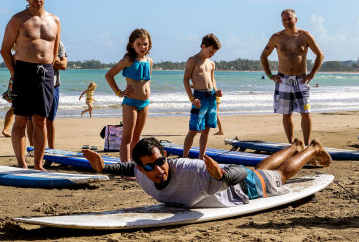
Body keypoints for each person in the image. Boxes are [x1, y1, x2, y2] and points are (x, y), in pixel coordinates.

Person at [83, 137, 331, 208]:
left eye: (160, 162)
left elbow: (242, 173)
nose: (157, 170)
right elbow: (128, 167)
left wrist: (221, 176)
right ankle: (295, 146)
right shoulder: (141, 171)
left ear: (166, 157)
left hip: (242, 187)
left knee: (277, 177)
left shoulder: (193, 170)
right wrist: (105, 166)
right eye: (149, 166)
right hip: (228, 179)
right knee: (260, 169)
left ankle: (312, 149)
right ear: (141, 168)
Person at [0, 0, 61, 170]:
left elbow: (55, 51)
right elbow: (5, 50)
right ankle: (22, 163)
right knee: (21, 119)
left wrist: (48, 70)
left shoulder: (55, 20)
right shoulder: (18, 20)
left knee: (41, 120)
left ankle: (38, 163)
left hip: (46, 72)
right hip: (23, 71)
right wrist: (14, 73)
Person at [260, 9, 324, 146]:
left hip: (301, 79)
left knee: (305, 112)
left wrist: (312, 74)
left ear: (296, 19)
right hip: (283, 80)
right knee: (286, 113)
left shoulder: (305, 35)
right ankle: (291, 143)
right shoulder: (276, 37)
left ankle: (306, 144)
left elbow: (320, 54)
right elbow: (263, 56)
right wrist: (270, 75)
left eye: (289, 19)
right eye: (284, 20)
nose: (287, 22)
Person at [105, 28, 153, 164]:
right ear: (132, 44)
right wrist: (119, 92)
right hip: (130, 103)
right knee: (127, 138)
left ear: (149, 44)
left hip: (145, 103)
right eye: (138, 44)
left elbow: (148, 80)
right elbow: (109, 75)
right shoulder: (128, 59)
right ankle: (125, 169)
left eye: (145, 44)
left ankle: (135, 166)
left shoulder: (149, 61)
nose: (142, 47)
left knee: (137, 138)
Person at [182, 34, 222, 160]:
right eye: (211, 51)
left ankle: (201, 157)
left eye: (214, 52)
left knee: (206, 129)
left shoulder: (211, 64)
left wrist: (216, 91)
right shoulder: (193, 60)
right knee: (193, 130)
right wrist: (191, 99)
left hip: (211, 97)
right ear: (203, 46)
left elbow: (212, 80)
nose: (212, 54)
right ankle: (184, 157)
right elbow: (185, 80)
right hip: (199, 97)